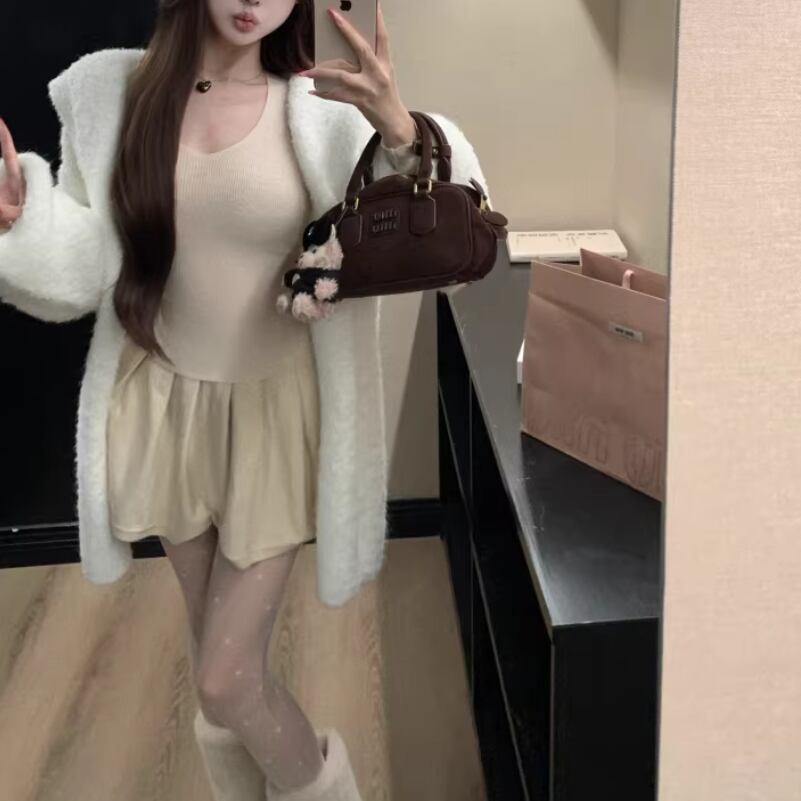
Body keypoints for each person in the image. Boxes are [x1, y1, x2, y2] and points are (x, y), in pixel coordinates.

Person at [0, 1, 491, 799]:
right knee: (215, 667)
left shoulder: (324, 108)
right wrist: (23, 226)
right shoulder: (110, 93)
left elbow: (455, 224)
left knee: (227, 678)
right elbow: (89, 263)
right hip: (162, 410)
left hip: (275, 416)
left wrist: (400, 129)